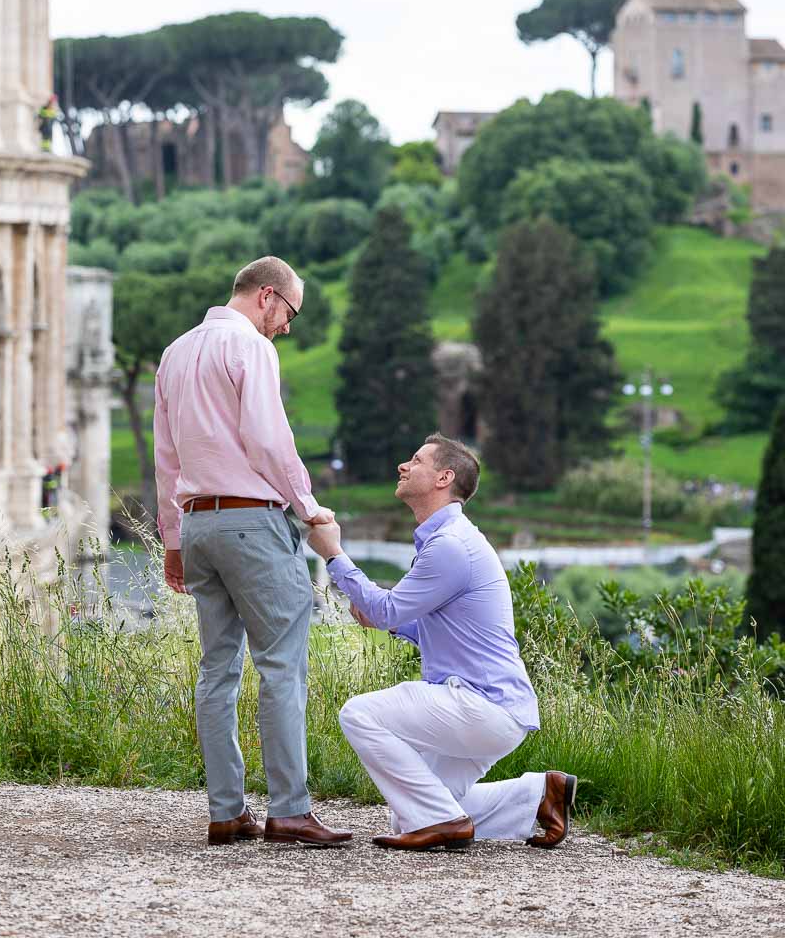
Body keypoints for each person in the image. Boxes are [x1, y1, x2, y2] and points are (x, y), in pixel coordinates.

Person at [154, 256, 352, 849]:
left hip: (199, 527)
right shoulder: (251, 348)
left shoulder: (175, 352)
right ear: (268, 297)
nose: (287, 327)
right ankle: (289, 809)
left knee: (217, 670)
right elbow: (269, 439)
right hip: (253, 524)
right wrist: (309, 507)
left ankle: (226, 812)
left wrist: (171, 539)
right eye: (289, 313)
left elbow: (167, 458)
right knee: (282, 665)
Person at [307, 433, 577, 852]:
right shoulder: (450, 540)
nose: (403, 465)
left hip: (481, 705)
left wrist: (333, 555)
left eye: (416, 460)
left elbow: (384, 609)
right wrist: (392, 623)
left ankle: (442, 822)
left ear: (444, 478)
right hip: (495, 711)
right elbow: (425, 623)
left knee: (359, 715)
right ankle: (538, 795)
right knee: (412, 810)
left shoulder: (450, 546)